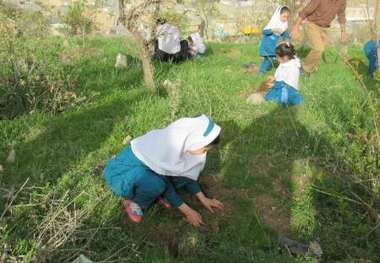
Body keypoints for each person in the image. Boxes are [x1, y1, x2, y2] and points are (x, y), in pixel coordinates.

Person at [104, 115, 224, 227]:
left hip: (142, 171)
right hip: (121, 174)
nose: (204, 153)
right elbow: (166, 184)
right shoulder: (166, 148)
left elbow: (186, 174)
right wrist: (188, 211)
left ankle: (152, 193)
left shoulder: (182, 142)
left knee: (176, 176)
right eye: (204, 149)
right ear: (195, 141)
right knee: (157, 185)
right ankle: (133, 203)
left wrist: (203, 198)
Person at [291, 0, 348, 73]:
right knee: (319, 48)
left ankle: (306, 64)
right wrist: (296, 27)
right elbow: (305, 11)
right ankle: (303, 69)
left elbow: (341, 15)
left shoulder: (342, 1)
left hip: (325, 28)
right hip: (312, 25)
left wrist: (343, 32)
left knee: (320, 50)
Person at [258, 6, 291, 73]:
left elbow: (284, 33)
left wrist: (288, 39)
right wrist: (274, 29)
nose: (285, 19)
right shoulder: (273, 22)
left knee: (275, 57)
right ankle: (261, 72)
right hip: (267, 43)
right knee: (270, 59)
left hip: (273, 44)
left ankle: (282, 70)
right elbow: (264, 31)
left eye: (287, 17)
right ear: (279, 15)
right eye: (284, 16)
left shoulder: (284, 24)